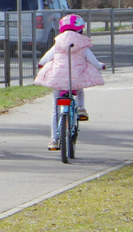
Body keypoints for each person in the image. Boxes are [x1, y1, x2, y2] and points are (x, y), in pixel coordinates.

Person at [34, 14, 105, 150]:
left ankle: (54, 140)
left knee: (55, 110)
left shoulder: (58, 44)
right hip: (75, 80)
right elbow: (93, 62)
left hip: (58, 80)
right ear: (80, 30)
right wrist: (100, 66)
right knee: (80, 88)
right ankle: (81, 108)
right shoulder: (83, 45)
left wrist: (41, 64)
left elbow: (45, 58)